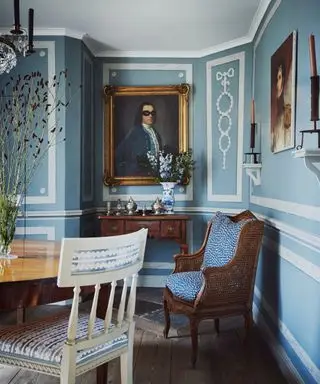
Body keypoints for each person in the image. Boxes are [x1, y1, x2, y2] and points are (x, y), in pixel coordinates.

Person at [115, 102, 163, 176]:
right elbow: (120, 153)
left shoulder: (156, 133)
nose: (150, 115)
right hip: (140, 175)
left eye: (152, 113)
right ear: (140, 115)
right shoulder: (135, 132)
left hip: (155, 176)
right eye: (146, 113)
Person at [271, 61, 292, 152]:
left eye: (279, 78)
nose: (277, 84)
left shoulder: (287, 112)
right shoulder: (278, 119)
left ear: (284, 79)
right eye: (277, 79)